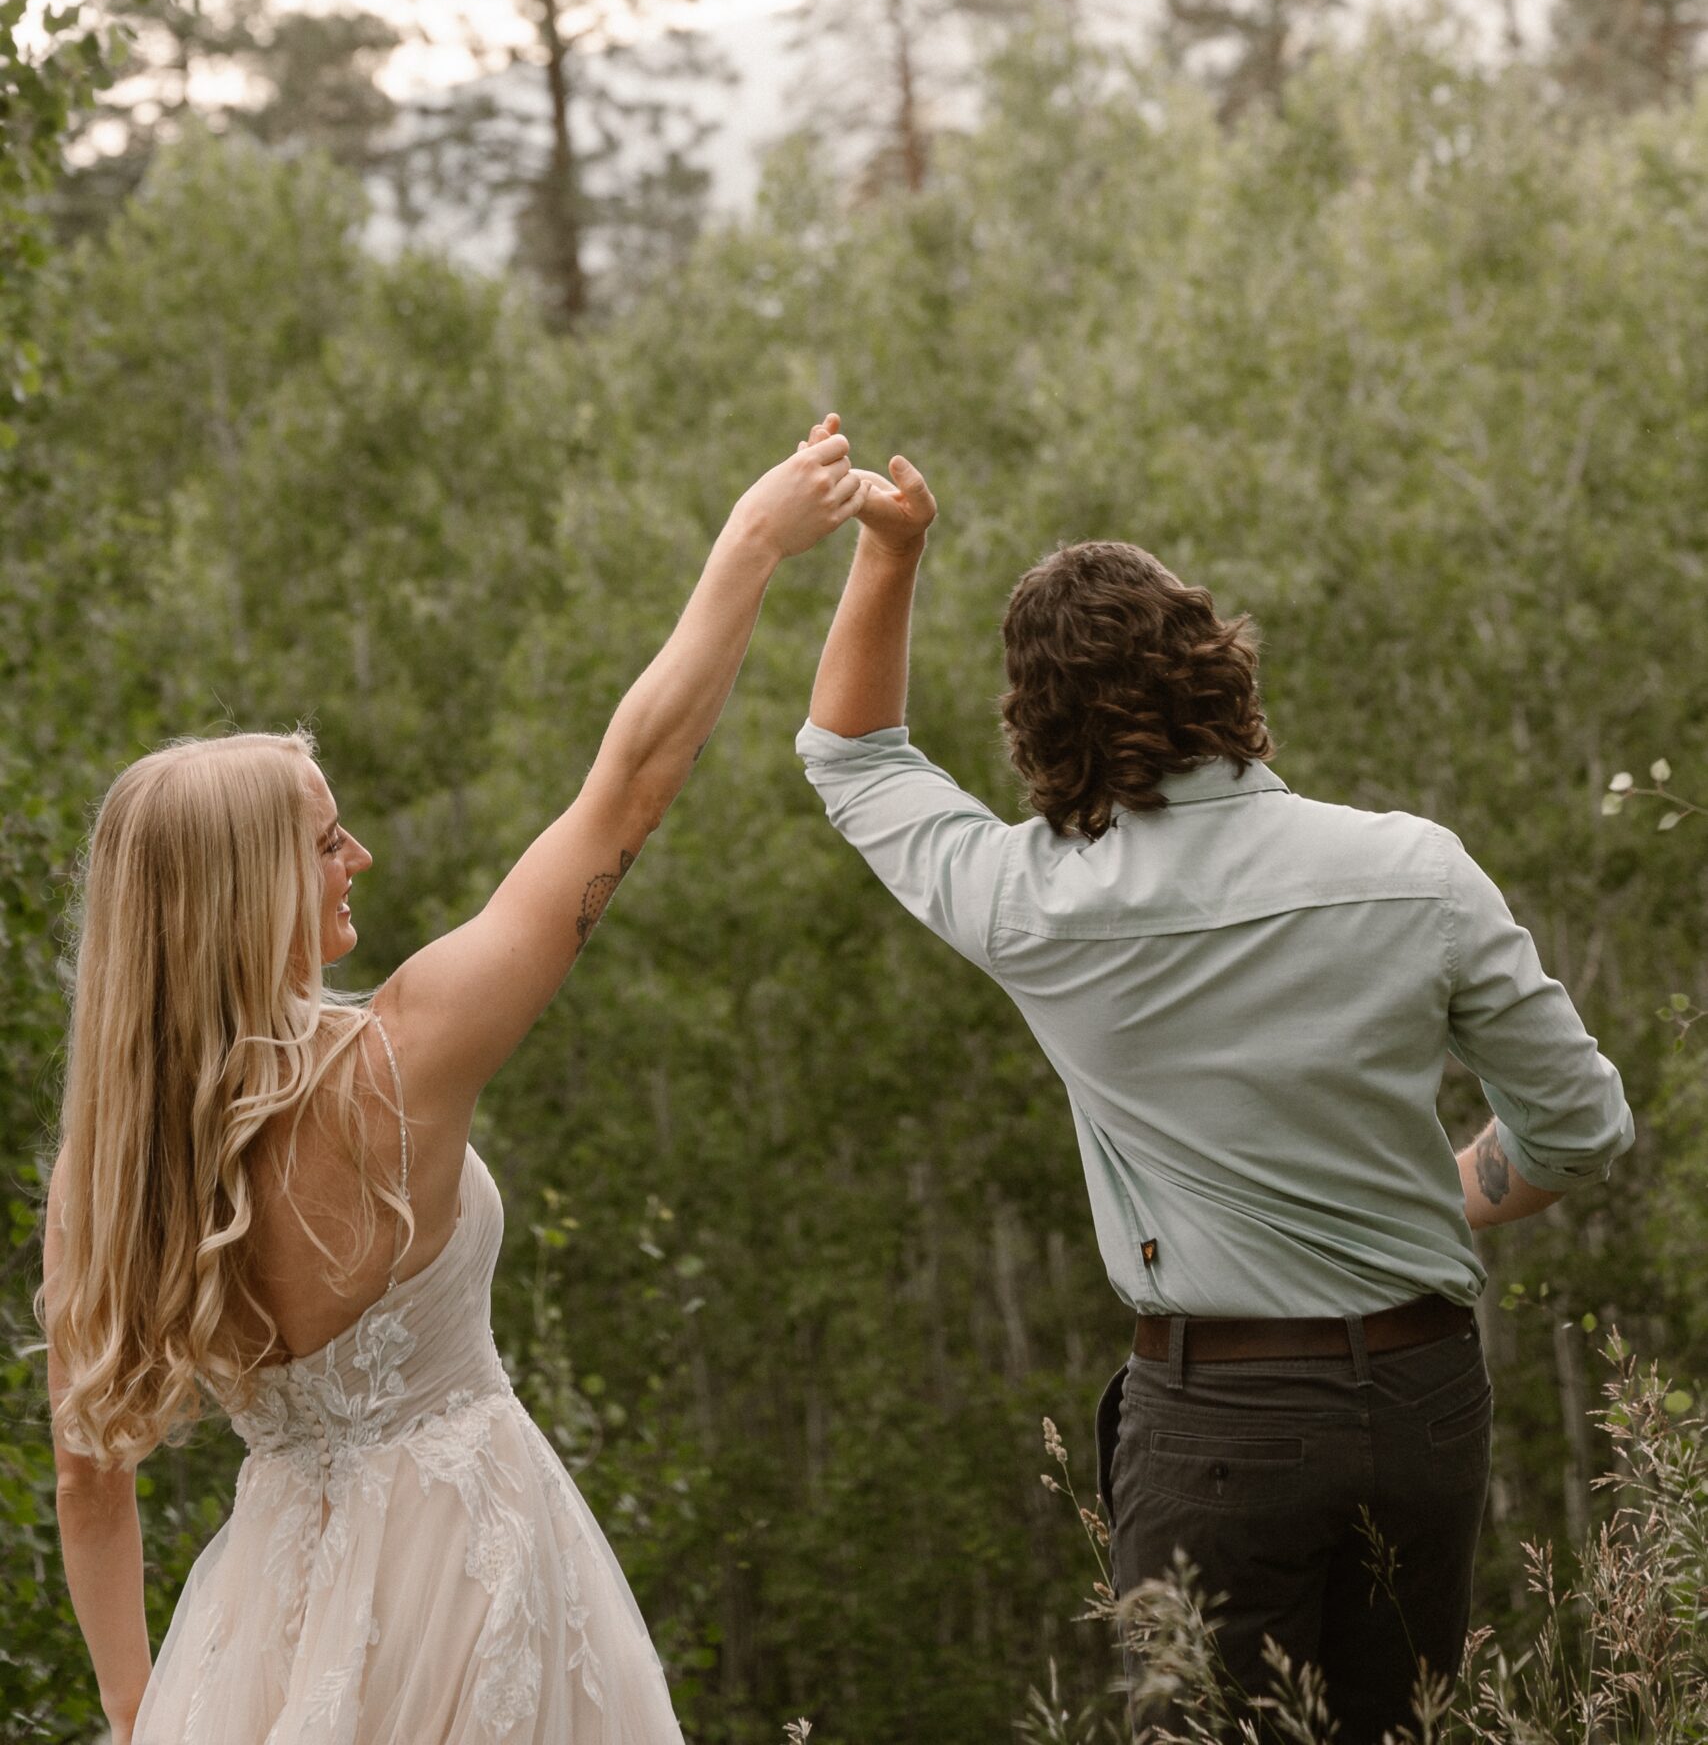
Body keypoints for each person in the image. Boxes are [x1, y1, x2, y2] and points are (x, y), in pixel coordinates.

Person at [41, 419, 866, 1745]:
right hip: (474, 1578)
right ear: (250, 896)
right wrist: (751, 546)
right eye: (325, 841)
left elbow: (92, 1481)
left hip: (262, 1631)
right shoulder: (401, 1055)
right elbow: (631, 786)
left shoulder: (113, 1167)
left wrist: (138, 1709)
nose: (355, 856)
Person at [796, 442, 1634, 1743]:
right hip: (1425, 1402)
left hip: (1220, 1423)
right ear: (1220, 669)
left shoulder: (1039, 905)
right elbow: (1581, 1131)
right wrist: (1441, 1204)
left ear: (1037, 726)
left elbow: (852, 756)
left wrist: (892, 550)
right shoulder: (1416, 871)